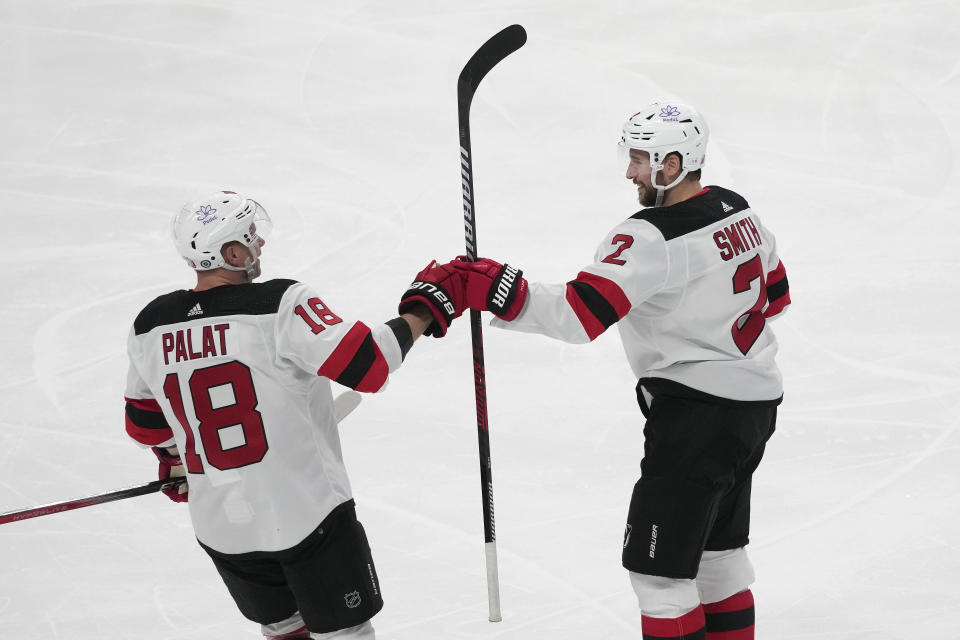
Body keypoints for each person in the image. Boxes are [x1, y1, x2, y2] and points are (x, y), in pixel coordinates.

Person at [444, 102, 791, 640]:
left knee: (659, 575)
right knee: (717, 557)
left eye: (639, 159)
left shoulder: (650, 236)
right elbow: (777, 297)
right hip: (755, 407)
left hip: (696, 418)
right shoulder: (737, 210)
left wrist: (495, 289)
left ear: (672, 164)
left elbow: (578, 316)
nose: (629, 172)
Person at [123, 190, 466, 640]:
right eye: (250, 238)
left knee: (284, 630)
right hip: (308, 520)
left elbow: (145, 423)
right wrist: (428, 305)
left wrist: (174, 461)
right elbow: (369, 364)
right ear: (230, 252)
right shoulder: (278, 304)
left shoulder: (151, 324)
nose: (259, 244)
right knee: (345, 633)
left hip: (225, 529)